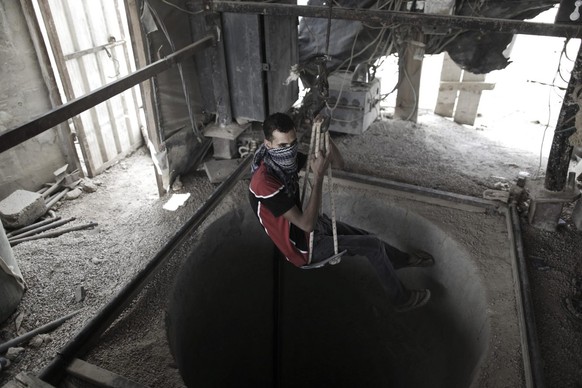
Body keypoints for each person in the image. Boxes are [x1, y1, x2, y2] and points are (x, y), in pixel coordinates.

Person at [248, 112, 433, 312]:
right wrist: (317, 176)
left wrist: (325, 133)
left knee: (369, 239)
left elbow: (338, 163)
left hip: (314, 226)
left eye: (292, 144)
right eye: (282, 146)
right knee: (372, 245)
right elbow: (306, 224)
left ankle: (399, 260)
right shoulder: (264, 183)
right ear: (267, 144)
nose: (289, 150)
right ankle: (401, 299)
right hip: (303, 248)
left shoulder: (286, 161)